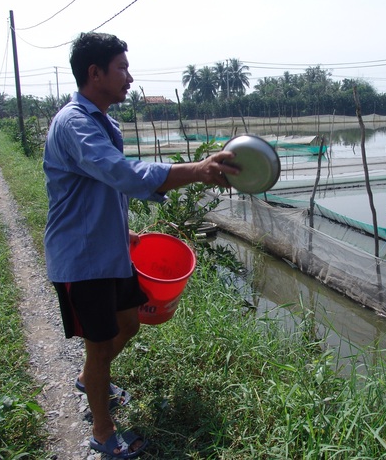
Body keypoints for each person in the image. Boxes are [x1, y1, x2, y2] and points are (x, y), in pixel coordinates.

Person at [43, 32, 239, 458]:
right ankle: (103, 433)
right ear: (95, 73)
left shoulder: (103, 122)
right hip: (82, 259)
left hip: (108, 249)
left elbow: (104, 189)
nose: (129, 77)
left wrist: (122, 230)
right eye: (122, 68)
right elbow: (123, 175)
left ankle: (89, 380)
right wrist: (197, 170)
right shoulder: (75, 123)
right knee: (99, 346)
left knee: (128, 323)